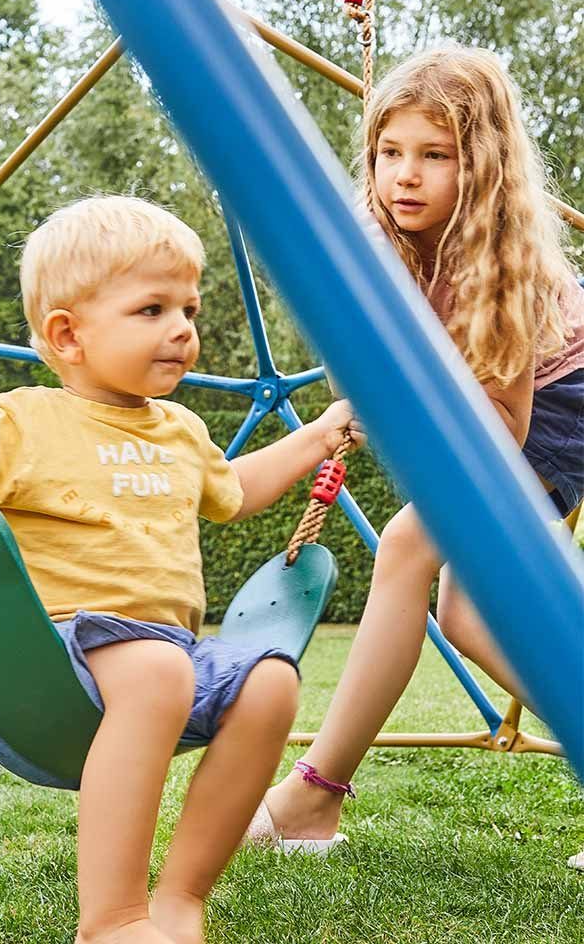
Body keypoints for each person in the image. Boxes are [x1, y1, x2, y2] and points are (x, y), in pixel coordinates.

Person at [0, 194, 365, 944]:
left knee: (270, 682)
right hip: (49, 677)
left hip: (167, 667)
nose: (183, 329)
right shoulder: (21, 420)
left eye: (188, 308)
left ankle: (181, 897)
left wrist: (321, 436)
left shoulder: (182, 431)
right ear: (68, 335)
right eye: (152, 309)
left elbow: (235, 492)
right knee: (160, 669)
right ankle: (112, 920)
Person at [247, 47, 584, 865]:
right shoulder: (382, 232)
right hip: (503, 409)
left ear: (483, 165)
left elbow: (502, 432)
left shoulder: (505, 266)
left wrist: (398, 402)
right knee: (464, 614)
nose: (407, 175)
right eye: (390, 152)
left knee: (406, 544)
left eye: (437, 156)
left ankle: (311, 799)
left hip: (563, 404)